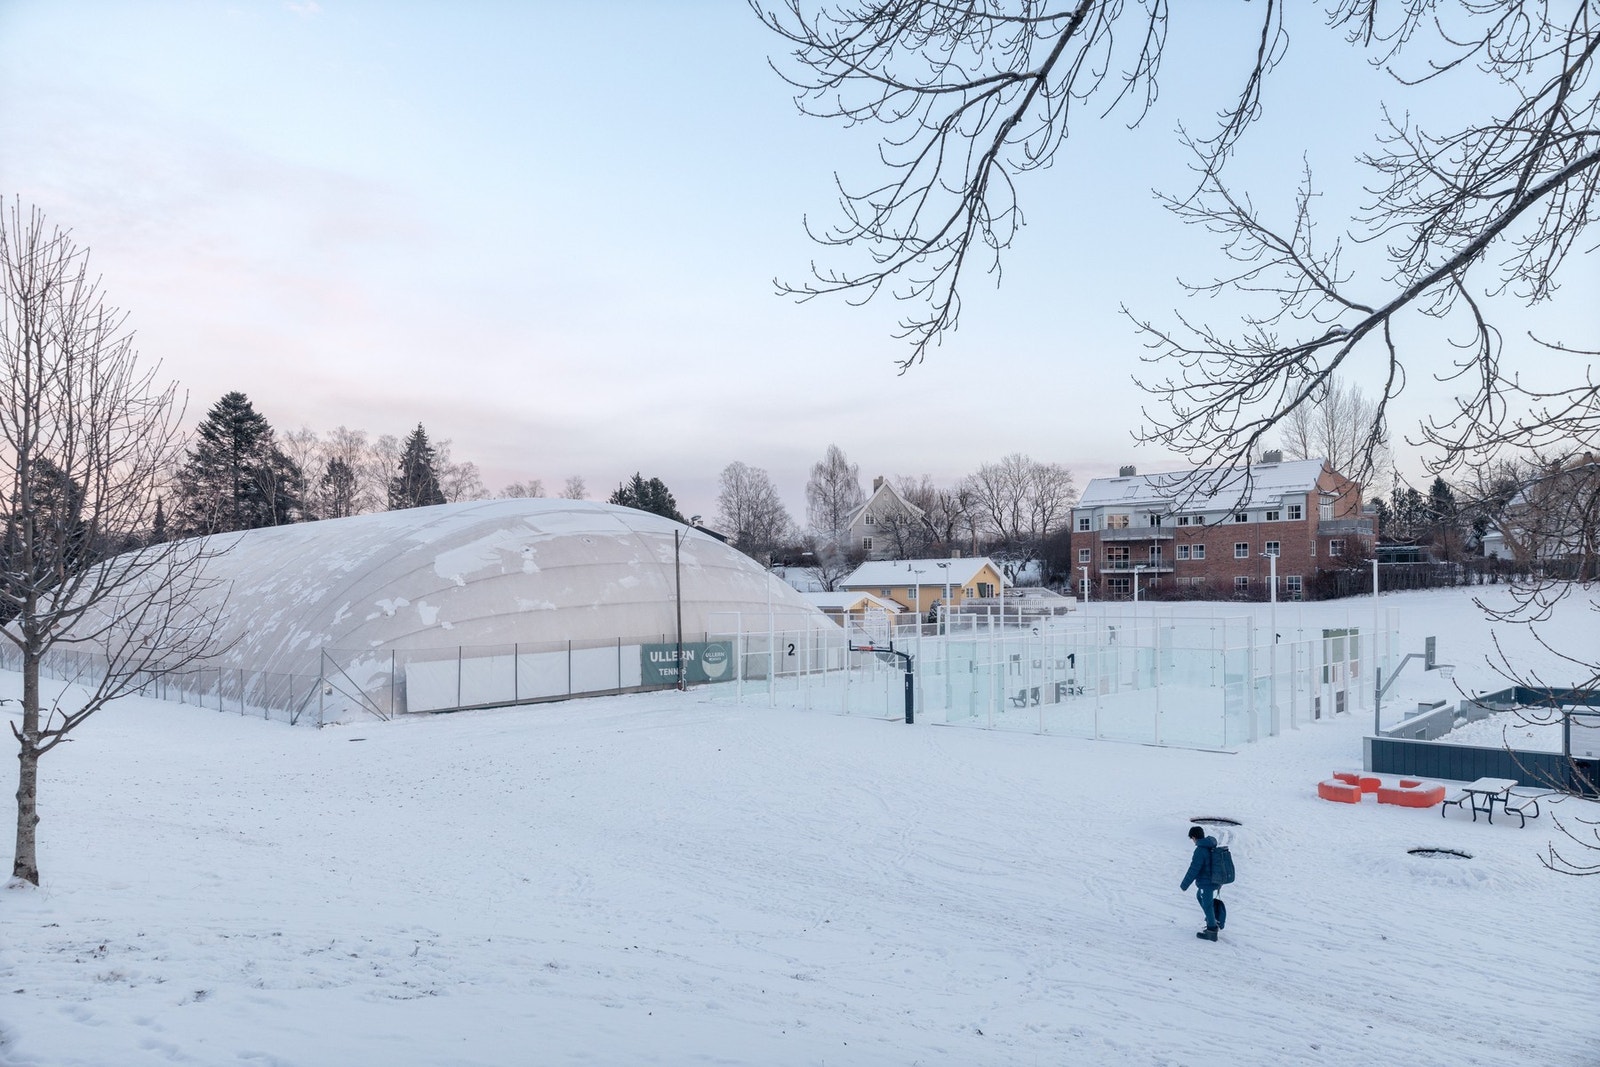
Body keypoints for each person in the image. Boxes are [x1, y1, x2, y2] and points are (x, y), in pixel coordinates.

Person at [1180, 824, 1225, 941]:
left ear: (1194, 837)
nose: (1192, 841)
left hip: (1207, 883)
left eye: (1192, 838)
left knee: (1208, 905)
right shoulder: (1210, 846)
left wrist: (1184, 884)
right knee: (1201, 898)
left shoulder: (1200, 850)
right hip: (1214, 881)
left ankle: (1212, 930)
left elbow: (1194, 869)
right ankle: (1212, 921)